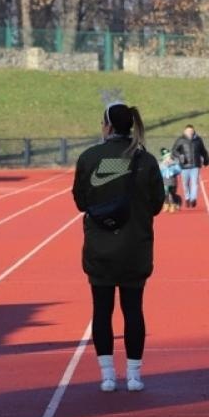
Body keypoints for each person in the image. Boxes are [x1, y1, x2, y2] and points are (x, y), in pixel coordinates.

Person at [73, 102, 165, 392]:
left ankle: (107, 375)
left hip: (100, 247)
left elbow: (80, 202)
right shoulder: (146, 160)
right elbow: (157, 204)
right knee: (133, 309)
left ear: (108, 126)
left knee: (101, 310)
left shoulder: (90, 157)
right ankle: (135, 375)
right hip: (135, 247)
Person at [170, 125, 209, 209]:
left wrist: (206, 160)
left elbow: (203, 151)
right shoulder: (180, 140)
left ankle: (193, 199)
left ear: (193, 131)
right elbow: (174, 151)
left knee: (194, 182)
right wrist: (180, 156)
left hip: (195, 165)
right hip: (184, 166)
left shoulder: (198, 140)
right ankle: (187, 198)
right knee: (185, 184)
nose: (190, 133)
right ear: (185, 132)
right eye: (188, 131)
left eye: (191, 131)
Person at [158, 148, 182, 212]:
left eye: (169, 157)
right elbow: (158, 173)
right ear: (163, 159)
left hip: (172, 182)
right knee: (165, 194)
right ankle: (166, 205)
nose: (168, 159)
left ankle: (175, 203)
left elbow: (179, 170)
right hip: (165, 182)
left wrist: (172, 167)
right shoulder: (161, 165)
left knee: (172, 194)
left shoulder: (174, 164)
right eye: (166, 158)